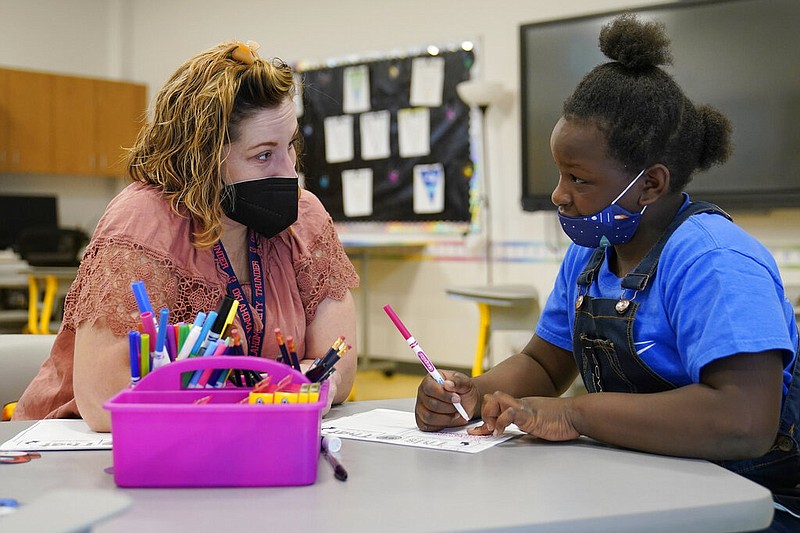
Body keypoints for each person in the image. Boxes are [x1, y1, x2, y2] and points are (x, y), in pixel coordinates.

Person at [415, 14, 799, 530]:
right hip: (645, 482)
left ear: (650, 185)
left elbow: (744, 421)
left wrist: (575, 414)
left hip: (751, 502)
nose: (558, 194)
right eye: (559, 173)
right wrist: (473, 394)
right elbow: (545, 364)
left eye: (578, 178)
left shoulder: (715, 260)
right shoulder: (594, 251)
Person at [14, 40, 359, 432]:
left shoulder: (305, 217)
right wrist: (256, 398)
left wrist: (319, 384)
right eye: (264, 155)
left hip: (242, 444)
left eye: (290, 146)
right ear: (202, 157)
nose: (288, 172)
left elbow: (340, 363)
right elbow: (102, 402)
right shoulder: (142, 223)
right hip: (82, 452)